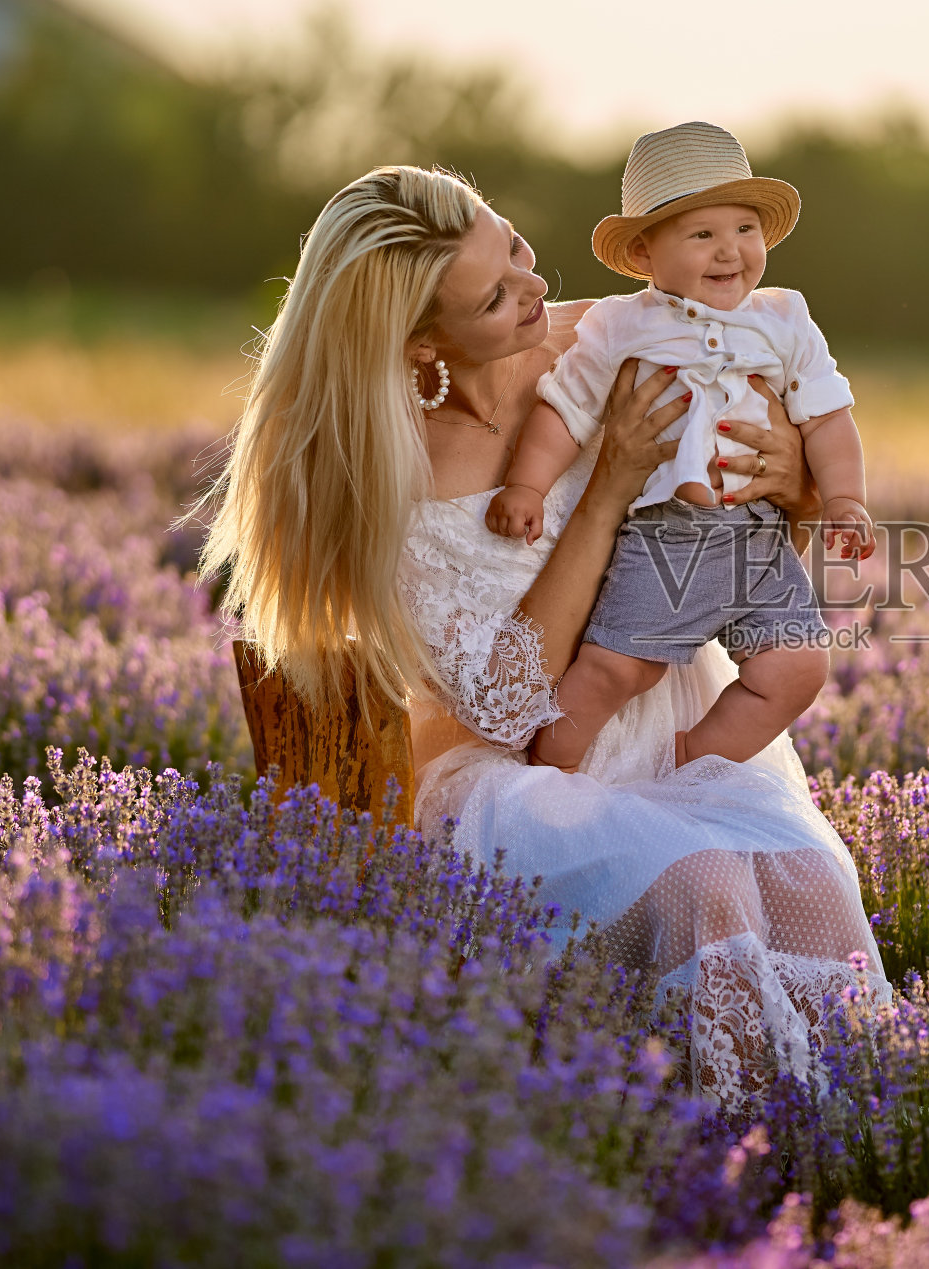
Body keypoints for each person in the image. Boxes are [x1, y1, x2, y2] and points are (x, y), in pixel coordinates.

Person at [199, 163, 890, 1106]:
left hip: (670, 729)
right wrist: (604, 490)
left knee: (809, 880)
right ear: (417, 345)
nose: (536, 287)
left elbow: (769, 491)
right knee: (702, 885)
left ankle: (842, 1160)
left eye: (517, 248)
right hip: (524, 774)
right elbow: (505, 706)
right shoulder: (384, 470)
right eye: (495, 294)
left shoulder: (611, 336)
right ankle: (685, 1159)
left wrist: (792, 481)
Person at [484, 122, 874, 774]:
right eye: (703, 235)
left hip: (761, 541)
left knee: (799, 667)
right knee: (614, 669)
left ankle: (689, 759)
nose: (730, 252)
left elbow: (830, 417)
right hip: (668, 539)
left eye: (745, 229)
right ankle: (553, 773)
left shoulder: (784, 319)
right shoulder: (620, 325)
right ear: (643, 253)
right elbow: (564, 410)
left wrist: (844, 498)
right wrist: (526, 486)